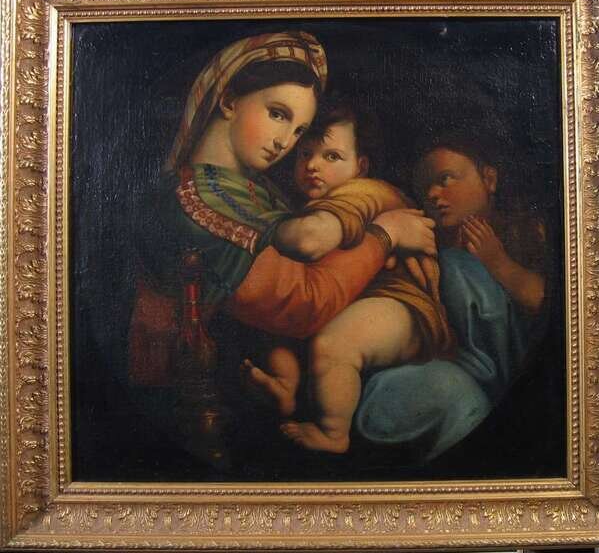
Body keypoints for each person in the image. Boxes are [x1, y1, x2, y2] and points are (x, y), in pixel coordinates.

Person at [128, 32, 435, 420]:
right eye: (277, 114)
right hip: (185, 403)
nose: (284, 142)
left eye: (298, 130)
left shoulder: (251, 188)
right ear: (228, 101)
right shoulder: (197, 200)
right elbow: (305, 304)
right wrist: (385, 233)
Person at [241, 100, 453, 453]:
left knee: (335, 343)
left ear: (360, 166)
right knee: (281, 322)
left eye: (331, 156)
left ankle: (333, 433)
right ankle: (285, 386)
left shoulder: (363, 192)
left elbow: (313, 238)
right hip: (344, 299)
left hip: (400, 307)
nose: (312, 165)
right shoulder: (308, 205)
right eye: (304, 154)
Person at [353, 130, 550, 461]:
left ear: (489, 179)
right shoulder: (429, 248)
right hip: (435, 374)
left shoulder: (526, 231)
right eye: (424, 187)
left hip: (506, 376)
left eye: (445, 179)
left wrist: (498, 263)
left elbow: (547, 303)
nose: (432, 194)